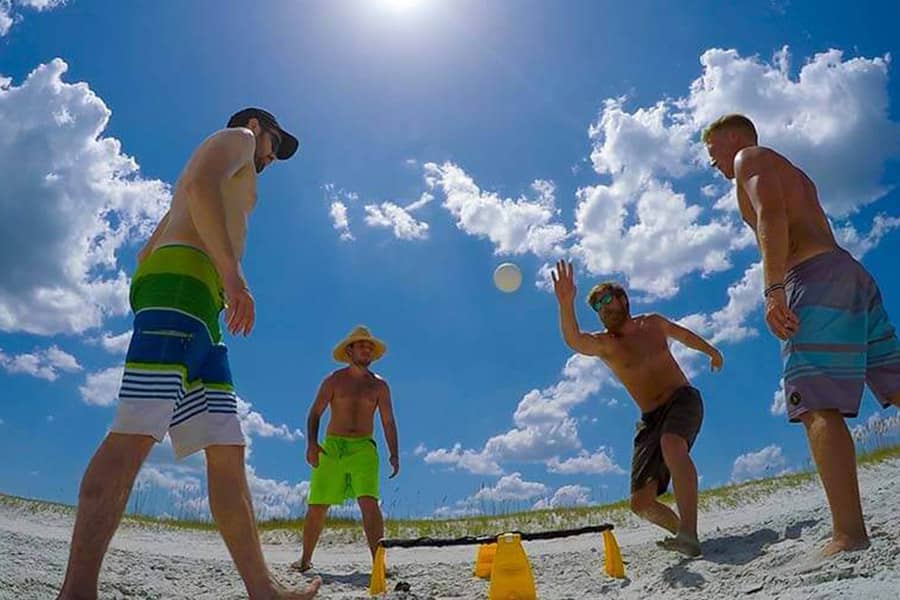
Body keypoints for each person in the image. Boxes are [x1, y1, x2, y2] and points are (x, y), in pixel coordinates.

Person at [58, 108, 320, 600]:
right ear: (258, 126)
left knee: (227, 450)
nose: (272, 156)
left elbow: (144, 254)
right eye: (275, 144)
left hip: (197, 301)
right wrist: (231, 274)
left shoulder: (227, 167)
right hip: (187, 288)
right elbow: (200, 186)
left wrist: (194, 286)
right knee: (134, 435)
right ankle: (76, 593)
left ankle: (262, 590)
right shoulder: (237, 137)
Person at [703, 113, 900, 556]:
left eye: (711, 148)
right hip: (849, 274)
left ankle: (849, 535)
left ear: (732, 136)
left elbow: (772, 214)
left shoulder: (749, 158)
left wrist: (773, 289)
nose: (711, 160)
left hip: (815, 279)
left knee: (815, 402)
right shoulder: (790, 170)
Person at [551, 261, 723, 557]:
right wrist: (566, 303)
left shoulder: (653, 323)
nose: (602, 308)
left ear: (623, 299)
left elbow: (684, 336)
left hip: (682, 399)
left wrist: (711, 351)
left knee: (672, 444)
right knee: (641, 503)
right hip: (649, 419)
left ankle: (690, 534)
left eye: (606, 299)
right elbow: (575, 340)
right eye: (596, 306)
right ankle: (683, 532)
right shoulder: (607, 344)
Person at [291, 326, 399, 572]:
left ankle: (379, 564)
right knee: (317, 505)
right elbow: (315, 412)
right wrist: (311, 444)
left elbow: (388, 421)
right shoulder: (333, 380)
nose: (367, 349)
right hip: (332, 447)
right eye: (362, 345)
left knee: (369, 503)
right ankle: (305, 560)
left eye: (370, 346)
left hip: (364, 448)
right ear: (349, 350)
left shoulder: (379, 386)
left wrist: (394, 453)